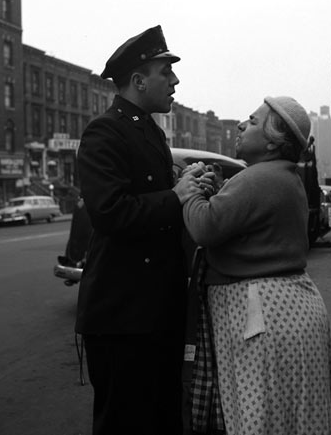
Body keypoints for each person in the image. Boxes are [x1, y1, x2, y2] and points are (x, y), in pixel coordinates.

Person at [75, 25, 209, 435]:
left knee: (161, 417)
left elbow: (153, 198)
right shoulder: (105, 132)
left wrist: (190, 185)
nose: (175, 81)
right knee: (125, 423)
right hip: (123, 317)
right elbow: (110, 212)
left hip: (155, 312)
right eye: (165, 72)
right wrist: (177, 195)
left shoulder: (149, 130)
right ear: (138, 81)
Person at [182, 96, 331, 435]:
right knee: (290, 414)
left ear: (272, 141)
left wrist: (187, 193)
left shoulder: (258, 178)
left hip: (261, 315)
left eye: (252, 121)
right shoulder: (279, 176)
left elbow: (204, 227)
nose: (241, 125)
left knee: (262, 414)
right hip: (285, 309)